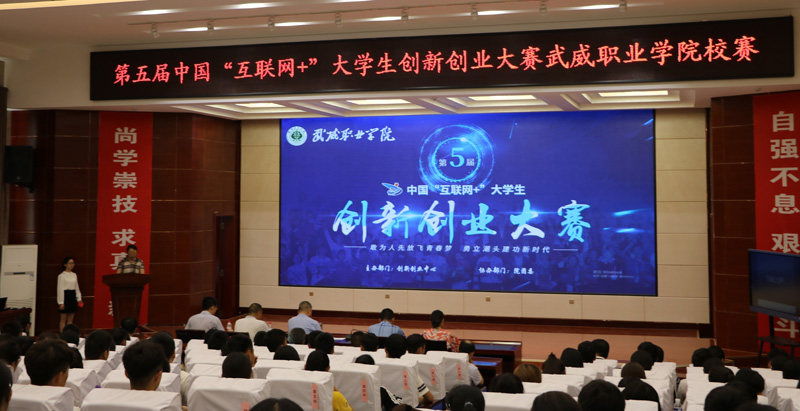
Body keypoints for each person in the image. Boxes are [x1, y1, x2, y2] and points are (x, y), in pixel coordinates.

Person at [384, 334, 434, 406]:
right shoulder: (409, 370)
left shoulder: (376, 367)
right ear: (405, 352)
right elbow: (430, 398)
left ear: (385, 350)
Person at [57, 257, 82, 332]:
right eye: (70, 263)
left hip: (72, 296)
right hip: (65, 296)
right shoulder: (61, 276)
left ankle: (69, 335)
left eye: (73, 263)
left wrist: (79, 298)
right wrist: (61, 302)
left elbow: (76, 287)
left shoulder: (74, 275)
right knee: (63, 319)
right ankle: (62, 335)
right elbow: (60, 289)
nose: (72, 265)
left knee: (70, 320)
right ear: (65, 264)